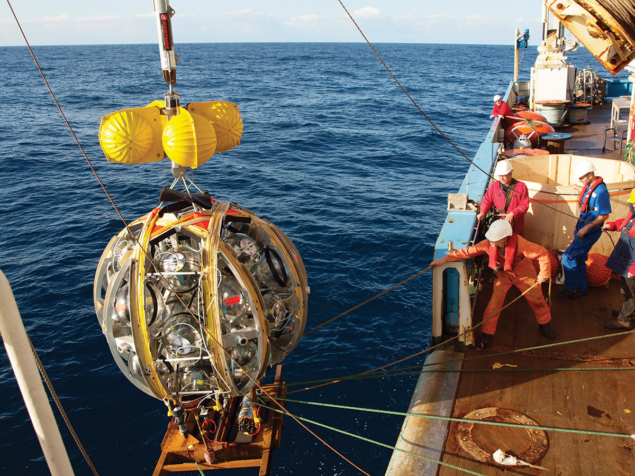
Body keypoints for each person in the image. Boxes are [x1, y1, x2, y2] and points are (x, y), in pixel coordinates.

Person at [430, 219, 555, 349]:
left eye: (494, 239)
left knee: (537, 300)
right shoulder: (487, 244)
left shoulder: (521, 243)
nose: (491, 241)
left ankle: (544, 324)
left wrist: (543, 274)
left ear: (504, 239)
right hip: (503, 275)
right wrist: (445, 259)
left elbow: (542, 253)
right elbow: (467, 252)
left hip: (524, 273)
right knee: (494, 305)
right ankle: (486, 335)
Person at [557, 161, 611, 299]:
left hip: (588, 232)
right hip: (582, 228)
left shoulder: (601, 192)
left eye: (581, 178)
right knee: (580, 258)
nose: (580, 180)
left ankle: (571, 288)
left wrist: (586, 228)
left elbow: (604, 215)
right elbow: (586, 196)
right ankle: (582, 288)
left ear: (590, 175)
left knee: (568, 257)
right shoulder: (589, 187)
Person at [602, 188, 635, 329]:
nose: (633, 206)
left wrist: (633, 270)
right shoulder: (633, 215)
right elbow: (626, 224)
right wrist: (612, 225)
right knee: (625, 287)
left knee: (631, 292)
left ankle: (625, 320)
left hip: (632, 264)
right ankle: (628, 312)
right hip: (626, 260)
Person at [477, 160, 530, 236]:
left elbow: (524, 205)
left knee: (515, 244)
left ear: (510, 174)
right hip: (498, 222)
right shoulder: (493, 186)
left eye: (504, 175)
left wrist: (513, 214)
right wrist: (483, 212)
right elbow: (487, 201)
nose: (501, 178)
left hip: (515, 224)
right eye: (500, 175)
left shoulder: (521, 187)